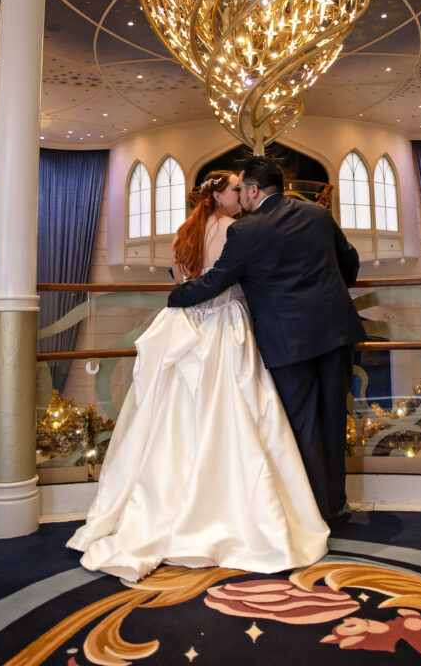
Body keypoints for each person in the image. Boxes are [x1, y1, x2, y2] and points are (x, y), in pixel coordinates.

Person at [68, 169, 328, 584]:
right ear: (220, 196)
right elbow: (227, 280)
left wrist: (182, 297)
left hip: (188, 322)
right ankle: (225, 510)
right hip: (224, 325)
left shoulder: (185, 232)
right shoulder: (232, 229)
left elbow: (182, 278)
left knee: (179, 413)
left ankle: (169, 502)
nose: (240, 194)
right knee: (232, 408)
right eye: (235, 189)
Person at [168, 155, 363, 525]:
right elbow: (349, 262)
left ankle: (313, 513)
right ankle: (337, 505)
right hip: (335, 329)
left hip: (288, 340)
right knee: (334, 418)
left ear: (254, 190)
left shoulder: (246, 230)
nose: (240, 195)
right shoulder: (318, 214)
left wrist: (175, 297)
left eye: (242, 188)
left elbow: (218, 280)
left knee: (302, 424)